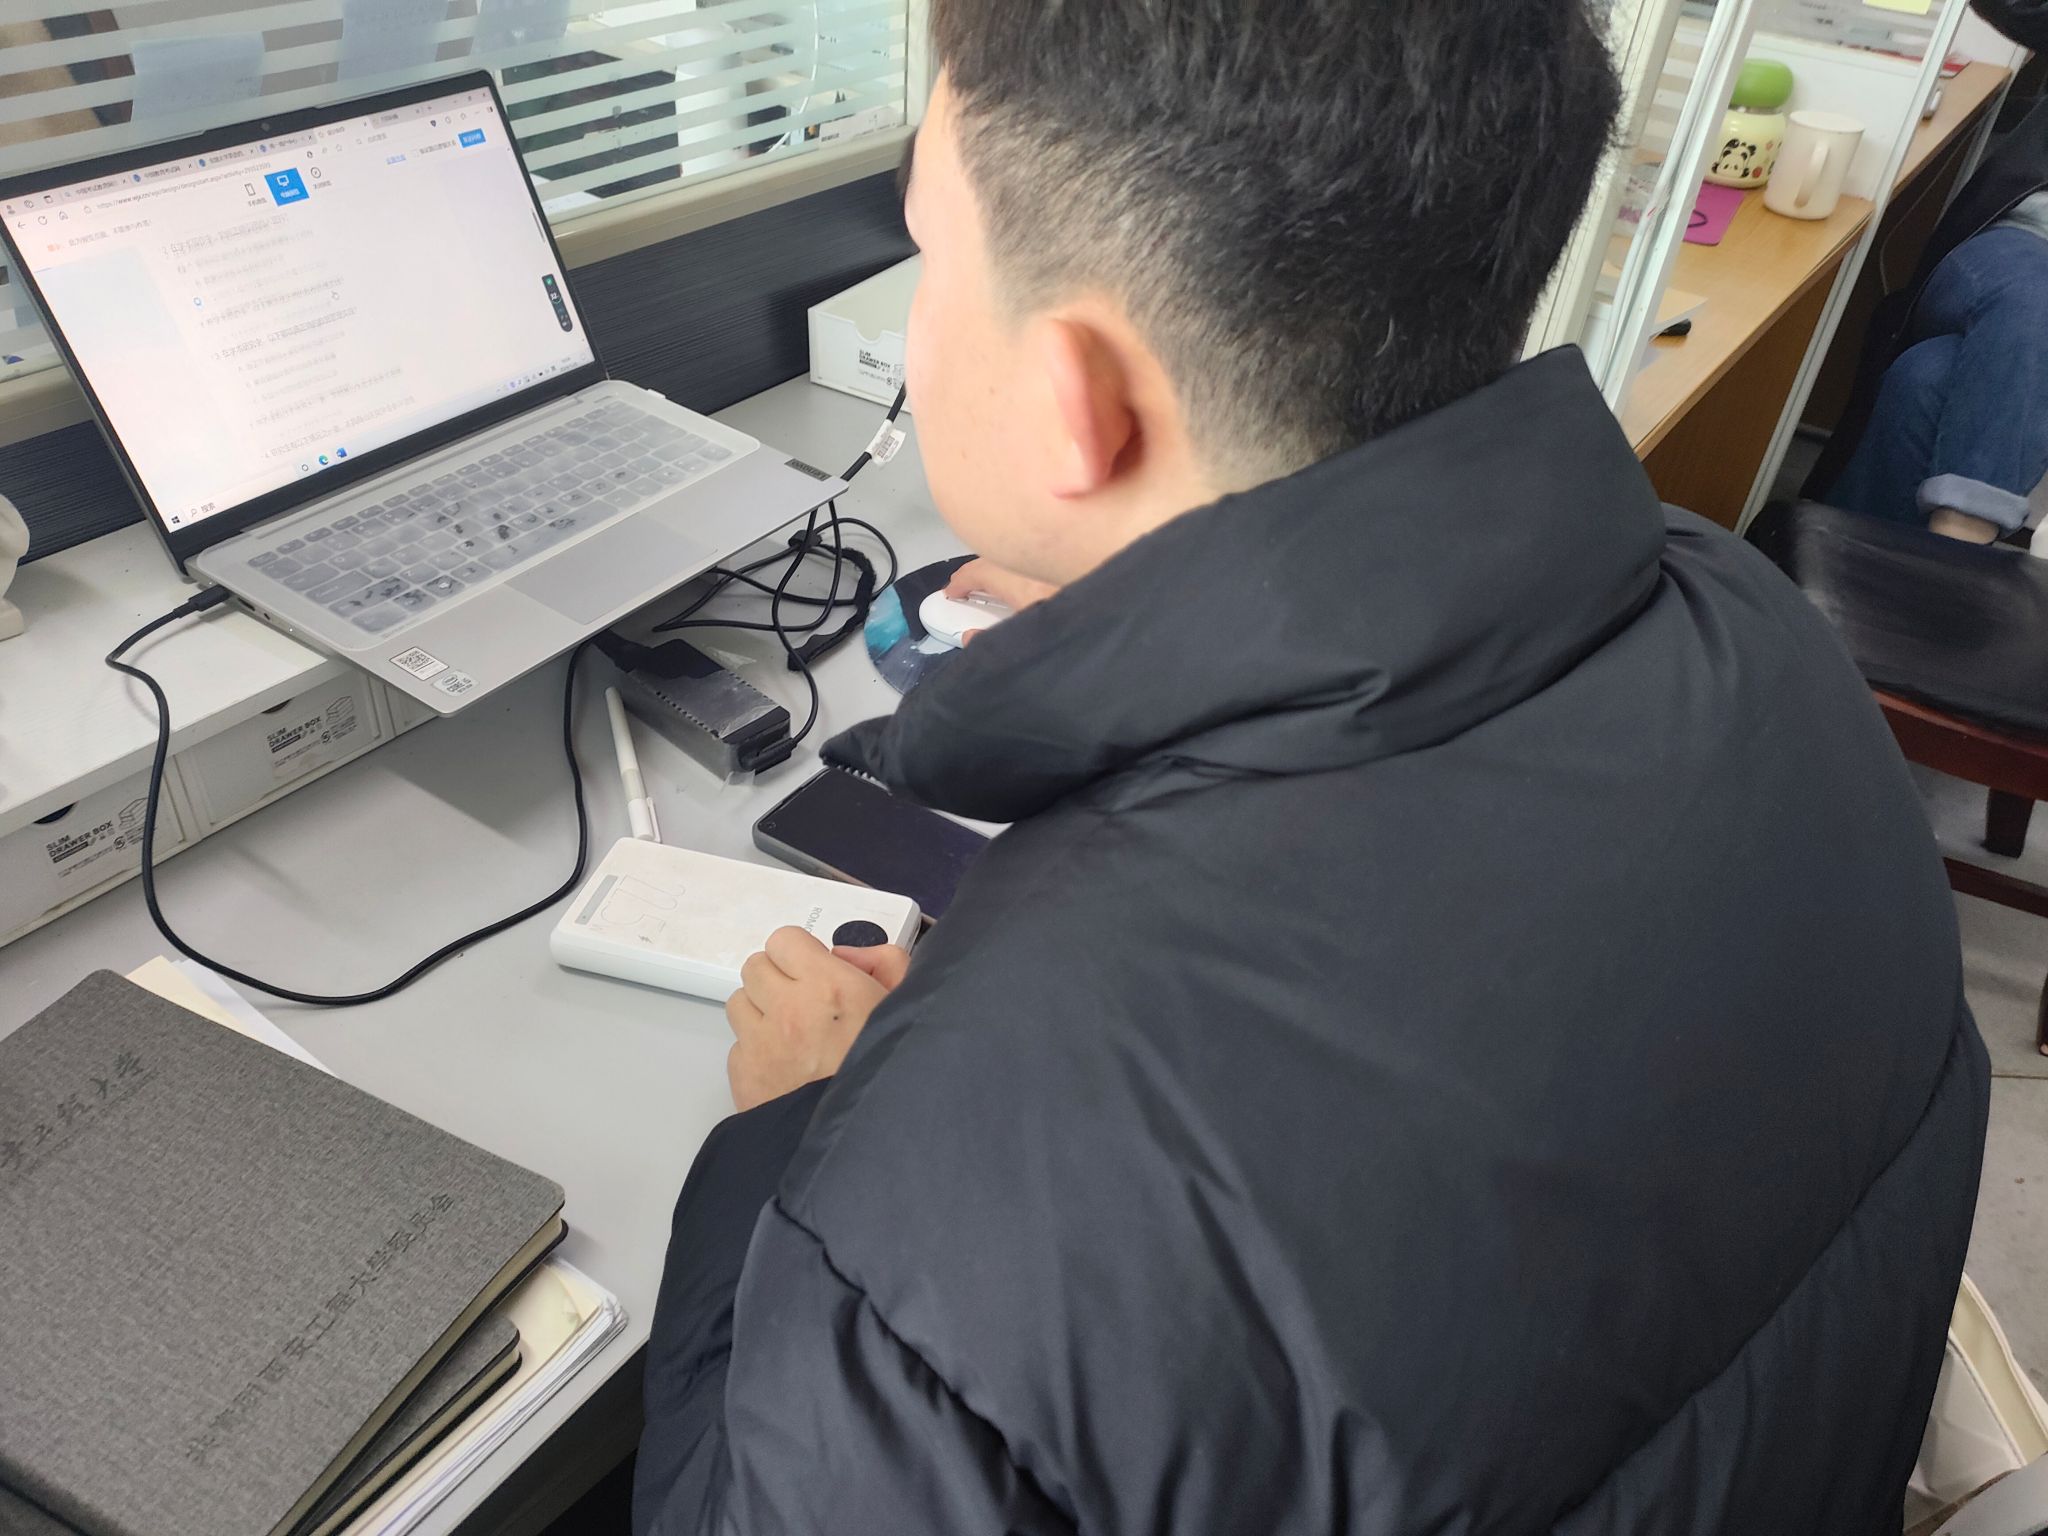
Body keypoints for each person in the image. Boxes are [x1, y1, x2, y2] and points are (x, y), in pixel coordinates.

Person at [635, 4, 1990, 1533]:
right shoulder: (1759, 630)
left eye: (930, 256)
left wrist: (802, 1133)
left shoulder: (956, 1196)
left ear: (1080, 403)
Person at [1815, 0, 2048, 540]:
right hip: (2010, 253)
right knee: (2035, 297)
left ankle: (1847, 555)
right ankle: (1957, 553)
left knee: (1927, 377)